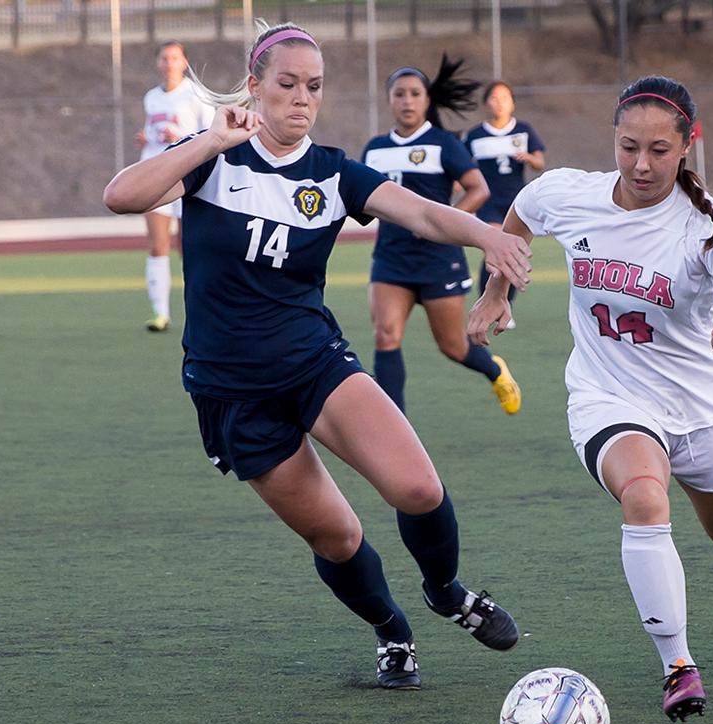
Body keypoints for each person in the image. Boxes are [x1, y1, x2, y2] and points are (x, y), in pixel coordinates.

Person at [103, 22, 534, 689]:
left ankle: (446, 592)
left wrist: (485, 233)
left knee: (419, 487)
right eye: (286, 84)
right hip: (234, 392)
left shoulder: (331, 172)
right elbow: (121, 196)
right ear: (255, 85)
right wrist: (211, 138)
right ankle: (393, 631)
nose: (301, 99)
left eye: (314, 87)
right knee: (337, 537)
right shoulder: (215, 159)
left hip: (315, 363)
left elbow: (419, 213)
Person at [469, 75, 713, 720]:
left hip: (704, 410)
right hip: (607, 396)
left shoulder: (709, 227)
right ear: (612, 142)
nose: (641, 164)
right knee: (645, 496)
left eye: (658, 150)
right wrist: (496, 293)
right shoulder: (567, 193)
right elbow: (516, 224)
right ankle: (678, 665)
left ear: (686, 148)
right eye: (627, 148)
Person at [362, 57, 521, 415]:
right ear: (389, 100)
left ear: (426, 100)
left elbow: (477, 189)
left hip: (438, 260)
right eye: (399, 94)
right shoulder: (374, 149)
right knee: (385, 336)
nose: (407, 101)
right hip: (390, 260)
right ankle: (394, 427)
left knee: (453, 345)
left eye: (415, 94)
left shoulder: (444, 144)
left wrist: (442, 228)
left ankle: (495, 370)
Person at [134, 40, 215, 332]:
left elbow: (210, 135)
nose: (169, 63)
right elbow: (155, 131)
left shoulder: (195, 95)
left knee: (190, 247)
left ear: (184, 62)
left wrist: (179, 134)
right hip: (156, 175)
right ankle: (160, 313)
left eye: (175, 58)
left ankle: (201, 310)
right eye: (165, 58)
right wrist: (148, 138)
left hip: (186, 177)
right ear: (158, 63)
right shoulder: (151, 97)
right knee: (158, 245)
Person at [462, 80, 546, 321]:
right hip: (488, 202)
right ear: (486, 103)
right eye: (494, 98)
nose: (499, 103)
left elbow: (540, 163)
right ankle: (485, 303)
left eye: (505, 98)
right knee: (495, 251)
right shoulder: (475, 136)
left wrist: (529, 158)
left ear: (513, 103)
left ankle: (505, 306)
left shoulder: (524, 130)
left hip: (516, 203)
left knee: (513, 254)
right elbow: (463, 170)